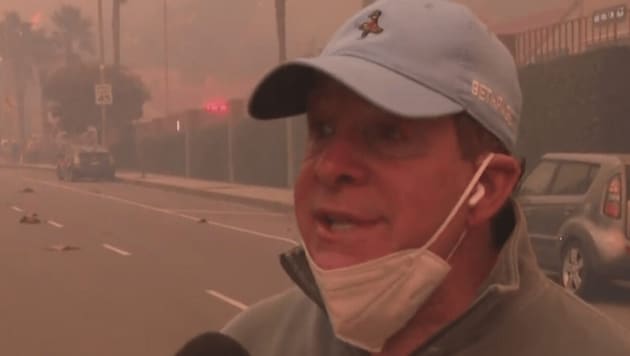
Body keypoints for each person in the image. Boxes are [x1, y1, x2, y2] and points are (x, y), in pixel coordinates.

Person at [221, 0, 630, 355]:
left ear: (486, 188)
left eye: (388, 133)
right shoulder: (249, 346)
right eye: (323, 129)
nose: (330, 167)